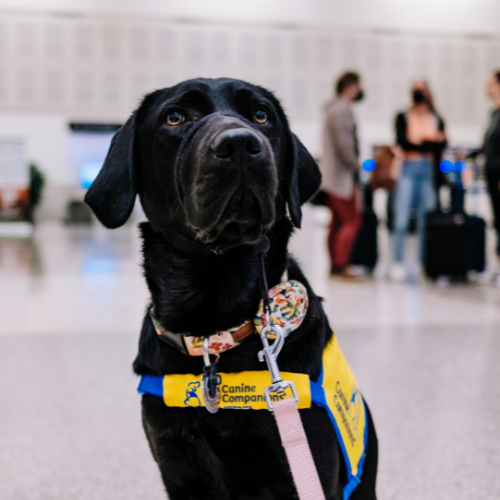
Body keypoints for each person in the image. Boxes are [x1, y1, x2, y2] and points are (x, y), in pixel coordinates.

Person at [389, 80, 447, 282]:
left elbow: (442, 145)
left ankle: (425, 262)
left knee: (426, 219)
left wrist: (420, 142)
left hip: (428, 170)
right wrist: (429, 142)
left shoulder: (436, 117)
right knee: (401, 219)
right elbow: (402, 142)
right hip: (408, 169)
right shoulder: (403, 116)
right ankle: (397, 262)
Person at [319, 71, 364, 280]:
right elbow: (345, 147)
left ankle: (335, 266)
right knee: (351, 221)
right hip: (341, 177)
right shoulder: (340, 111)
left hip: (332, 176)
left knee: (336, 222)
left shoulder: (332, 109)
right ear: (350, 86)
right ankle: (340, 266)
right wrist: (357, 167)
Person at [483, 71, 500, 283]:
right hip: (491, 173)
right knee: (497, 220)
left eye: (490, 83)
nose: (486, 87)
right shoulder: (494, 114)